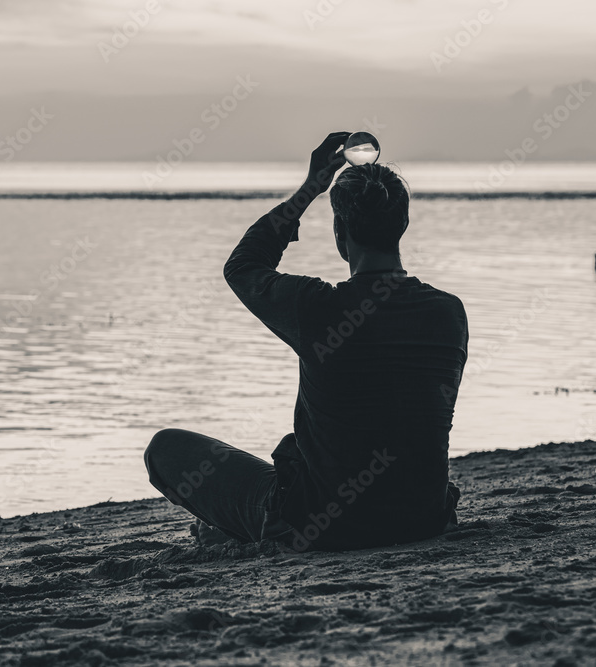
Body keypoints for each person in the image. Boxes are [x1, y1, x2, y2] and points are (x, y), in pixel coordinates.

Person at [144, 132, 469, 552]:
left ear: (339, 233)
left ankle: (238, 529)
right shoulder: (449, 313)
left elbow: (244, 265)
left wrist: (310, 188)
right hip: (424, 518)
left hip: (323, 526)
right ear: (402, 226)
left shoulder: (317, 309)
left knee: (166, 449)